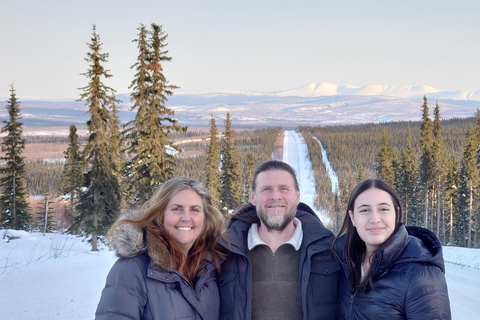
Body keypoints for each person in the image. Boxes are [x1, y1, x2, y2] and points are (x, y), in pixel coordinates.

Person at [218, 160, 340, 320]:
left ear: (297, 196)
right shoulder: (225, 252)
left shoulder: (329, 250)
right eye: (266, 189)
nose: (275, 196)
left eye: (284, 188)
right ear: (253, 197)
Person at [95, 177, 227, 320]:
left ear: (205, 218)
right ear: (160, 214)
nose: (186, 217)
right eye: (177, 209)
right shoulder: (133, 269)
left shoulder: (210, 267)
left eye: (195, 210)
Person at [332, 179, 451, 319]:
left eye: (383, 209)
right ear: (352, 218)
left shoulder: (421, 275)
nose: (375, 219)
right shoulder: (345, 262)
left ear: (396, 213)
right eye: (364, 210)